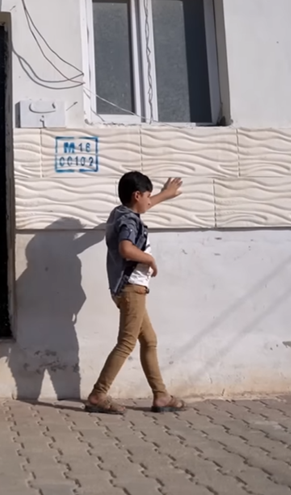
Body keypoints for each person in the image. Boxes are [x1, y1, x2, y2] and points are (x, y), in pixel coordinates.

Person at [85, 171, 186, 414]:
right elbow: (126, 249)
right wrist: (149, 259)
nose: (150, 201)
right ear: (137, 195)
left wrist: (165, 194)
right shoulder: (129, 221)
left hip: (128, 289)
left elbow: (143, 206)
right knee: (127, 343)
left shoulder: (120, 213)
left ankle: (161, 396)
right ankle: (99, 394)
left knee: (149, 340)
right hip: (132, 288)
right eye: (148, 196)